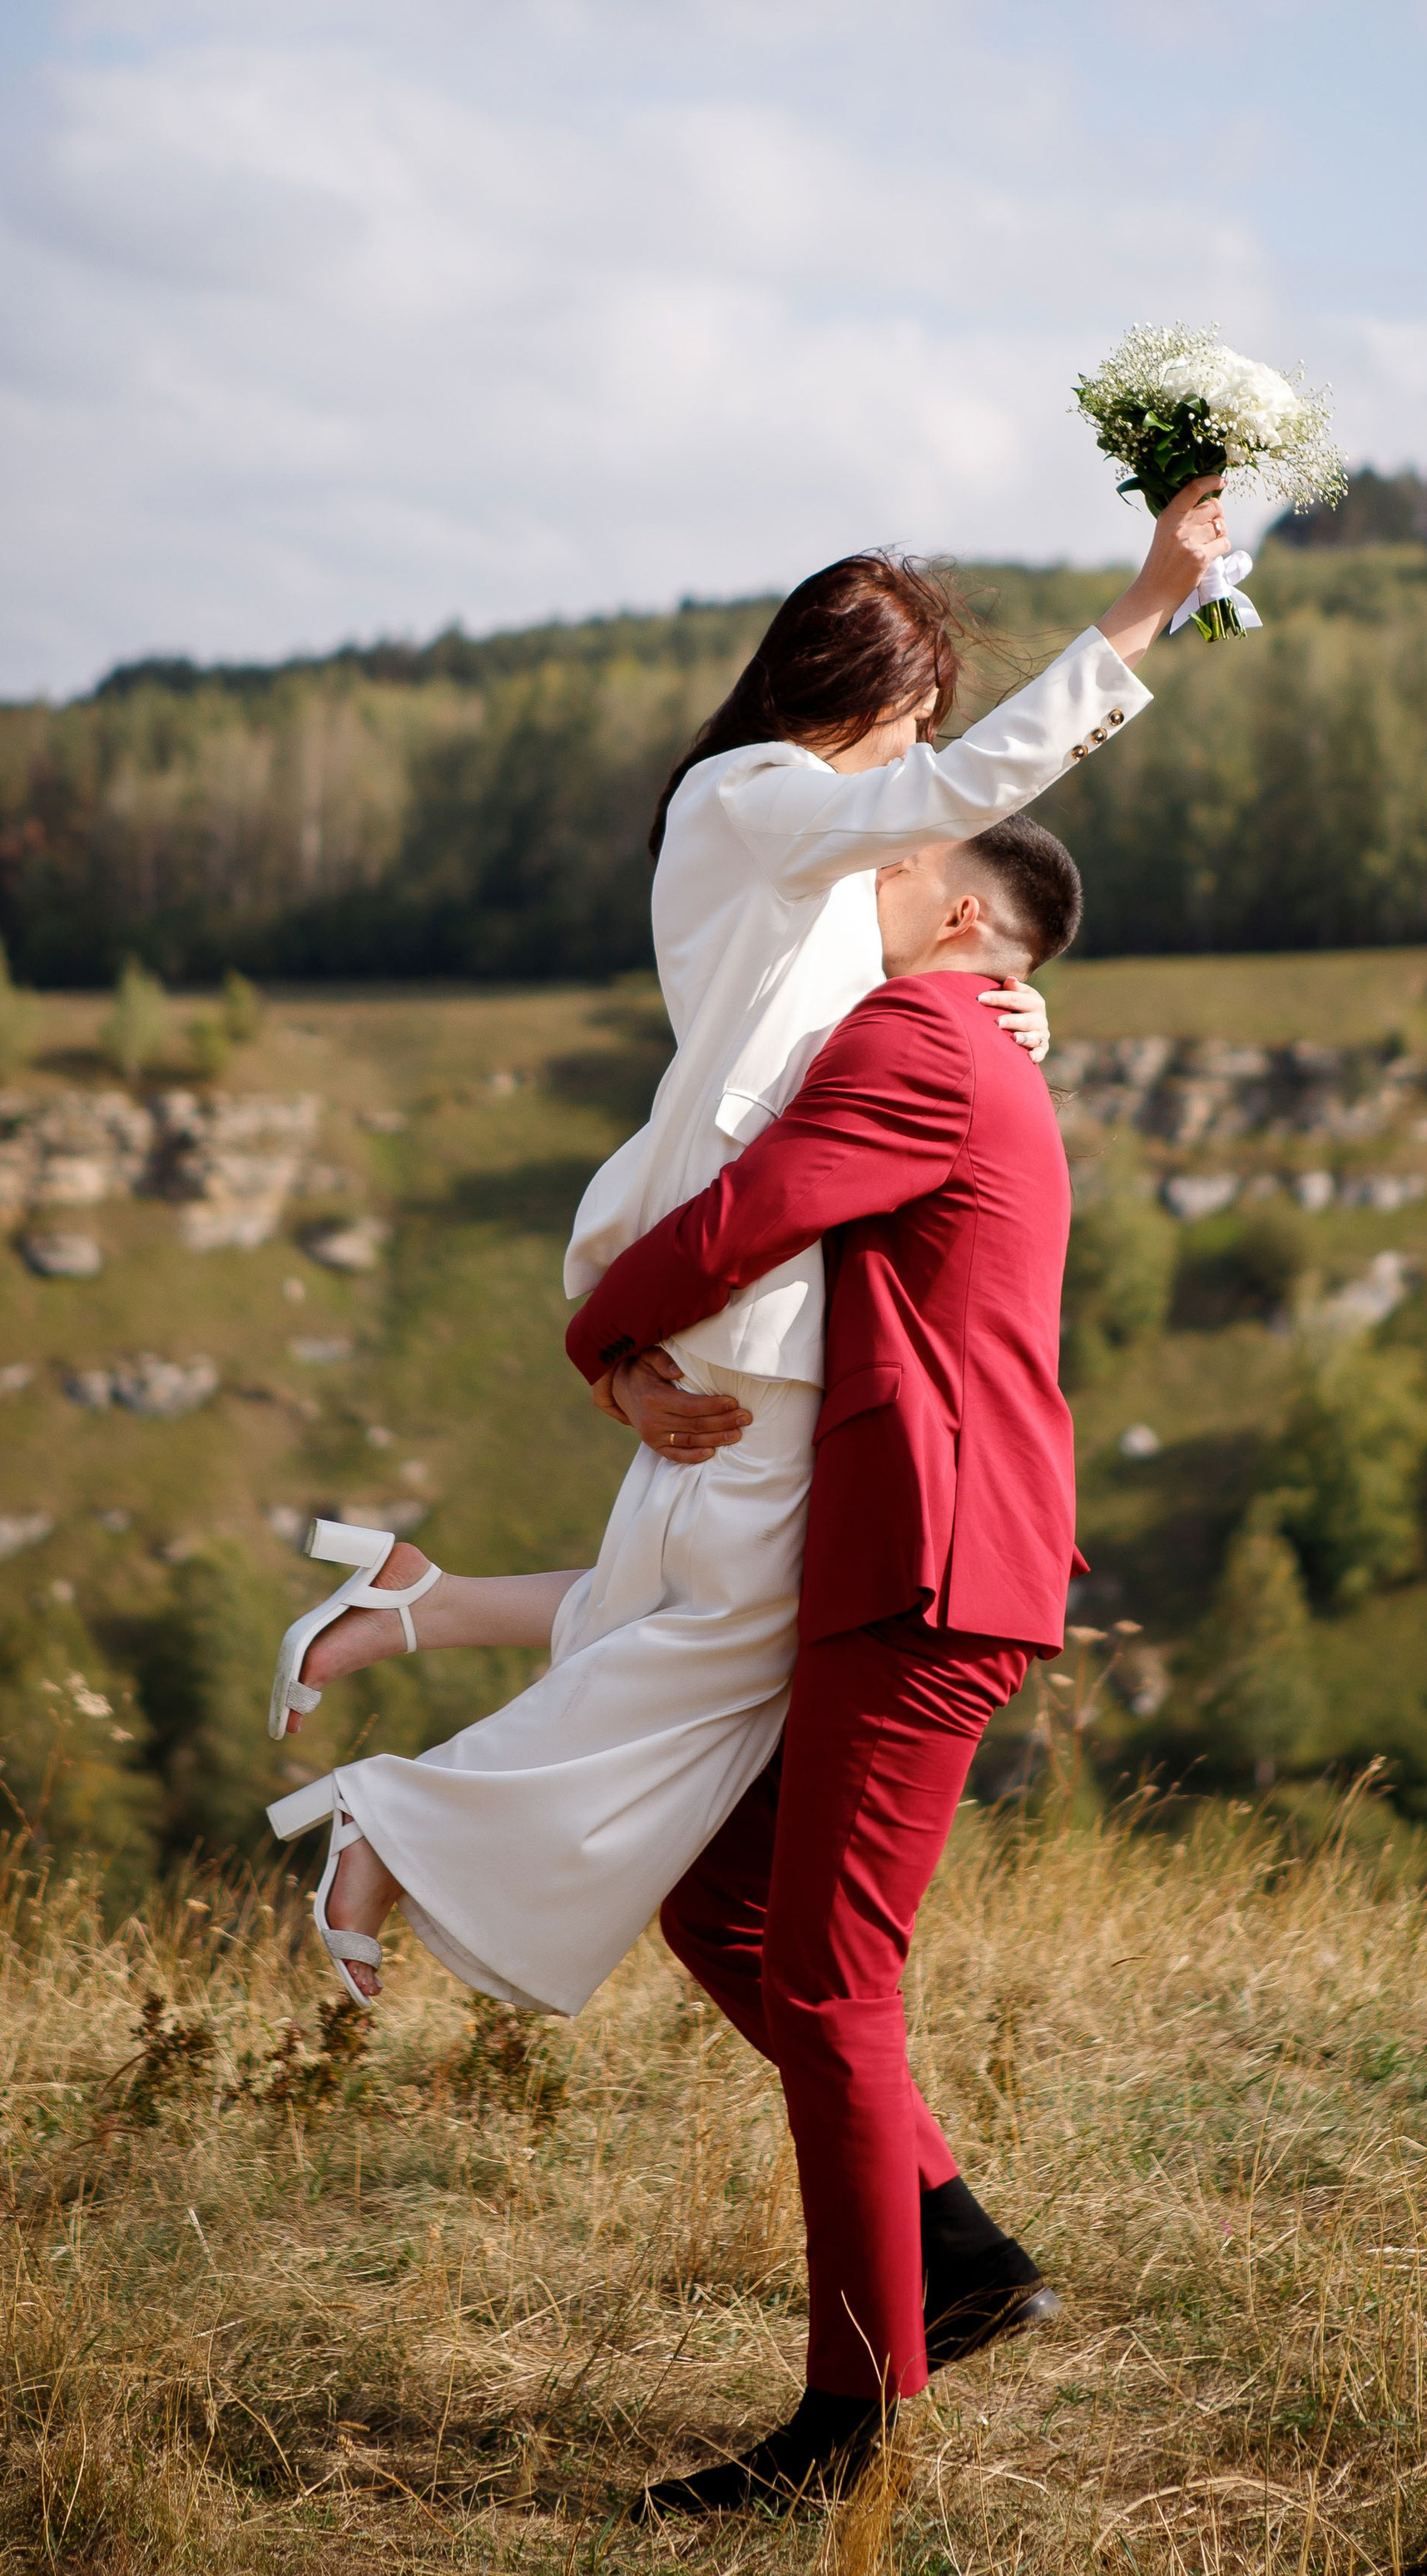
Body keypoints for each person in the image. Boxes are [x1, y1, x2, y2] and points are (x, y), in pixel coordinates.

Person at [265, 489, 1231, 2013]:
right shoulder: (755, 797)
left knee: (682, 1612)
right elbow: (961, 805)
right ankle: (394, 1818)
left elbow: (883, 990)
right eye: (918, 719)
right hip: (752, 1277)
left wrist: (1004, 1013)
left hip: (752, 1278)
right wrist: (1145, 606)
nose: (923, 757)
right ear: (861, 691)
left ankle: (410, 1622)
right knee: (735, 1628)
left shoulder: (797, 837)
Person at [564, 813, 1090, 2514]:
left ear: (956, 914)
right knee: (722, 1897)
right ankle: (955, 2248)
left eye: (888, 868)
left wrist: (596, 1335)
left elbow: (752, 1210)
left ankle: (849, 2419)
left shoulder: (923, 1035)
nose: (857, 882)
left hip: (930, 1553)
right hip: (905, 1544)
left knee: (828, 1979)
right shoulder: (965, 1032)